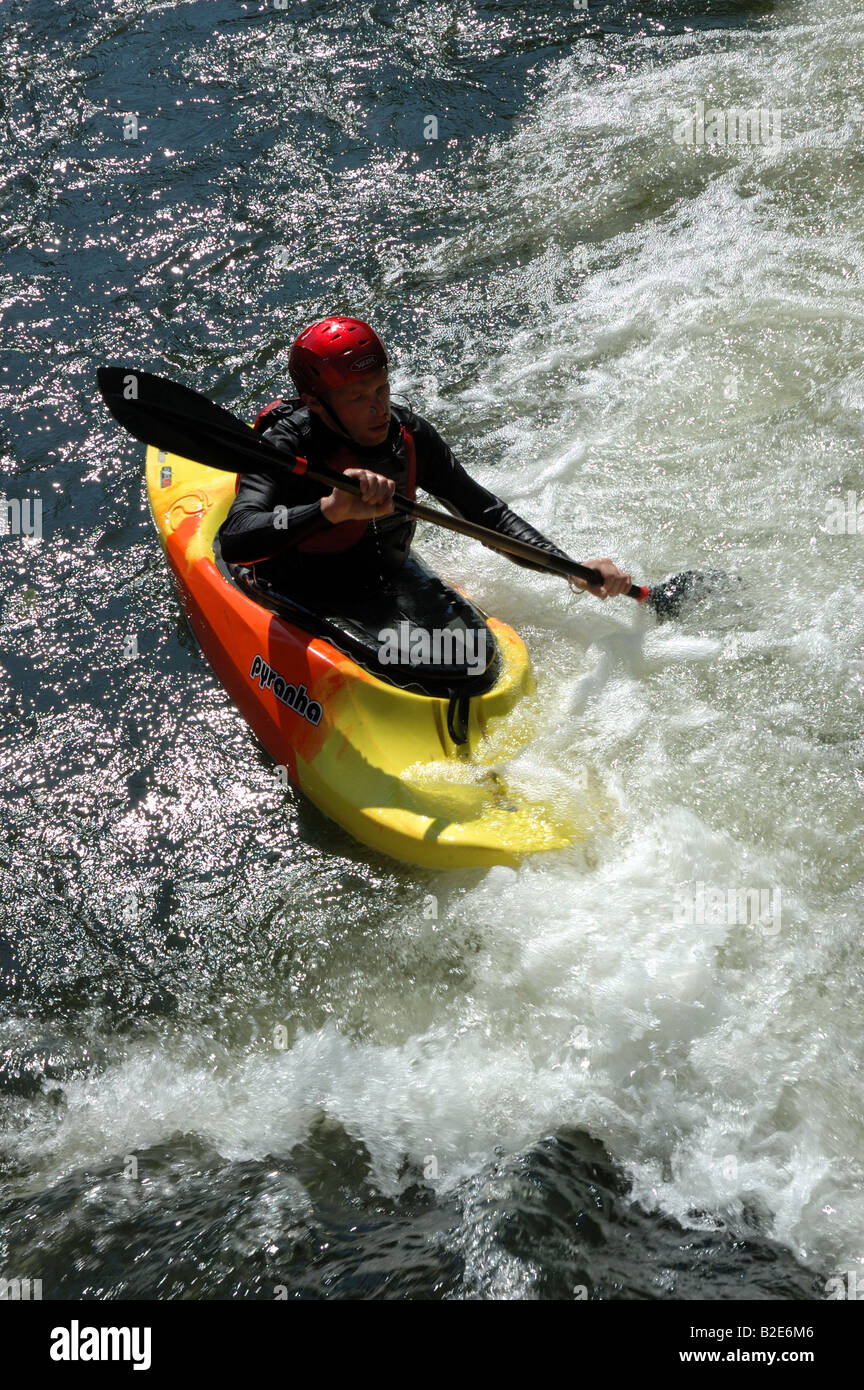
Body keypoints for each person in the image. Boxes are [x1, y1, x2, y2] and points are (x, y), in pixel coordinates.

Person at [218, 315, 631, 602]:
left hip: (388, 579)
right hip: (295, 591)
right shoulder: (284, 446)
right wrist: (329, 510)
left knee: (476, 664)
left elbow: (486, 515)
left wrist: (570, 567)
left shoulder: (409, 434)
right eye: (358, 398)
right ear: (316, 404)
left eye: (381, 389)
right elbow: (235, 539)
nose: (378, 409)